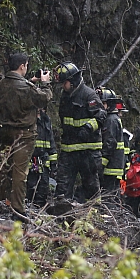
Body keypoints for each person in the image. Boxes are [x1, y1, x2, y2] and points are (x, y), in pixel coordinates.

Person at [0, 53, 53, 217]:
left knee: (1, 168)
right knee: (20, 173)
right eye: (26, 65)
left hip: (4, 132)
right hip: (23, 134)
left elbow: (17, 92)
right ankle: (17, 210)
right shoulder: (26, 88)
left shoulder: (2, 84)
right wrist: (46, 83)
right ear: (22, 66)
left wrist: (31, 81)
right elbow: (43, 98)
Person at [54, 62, 106, 204]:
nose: (63, 86)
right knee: (63, 187)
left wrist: (88, 128)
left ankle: (94, 214)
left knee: (91, 187)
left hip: (88, 151)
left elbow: (101, 116)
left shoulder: (89, 95)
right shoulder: (65, 96)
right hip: (69, 149)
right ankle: (61, 212)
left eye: (64, 82)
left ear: (73, 81)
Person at [26, 107, 57, 206]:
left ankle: (39, 211)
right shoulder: (27, 119)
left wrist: (53, 163)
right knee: (29, 188)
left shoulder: (46, 120)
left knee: (43, 189)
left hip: (44, 162)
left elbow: (51, 142)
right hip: (30, 161)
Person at [98, 88, 126, 193]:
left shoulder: (111, 120)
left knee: (108, 196)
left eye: (103, 103)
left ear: (109, 104)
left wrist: (101, 163)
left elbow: (109, 143)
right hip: (113, 167)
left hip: (110, 168)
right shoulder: (111, 118)